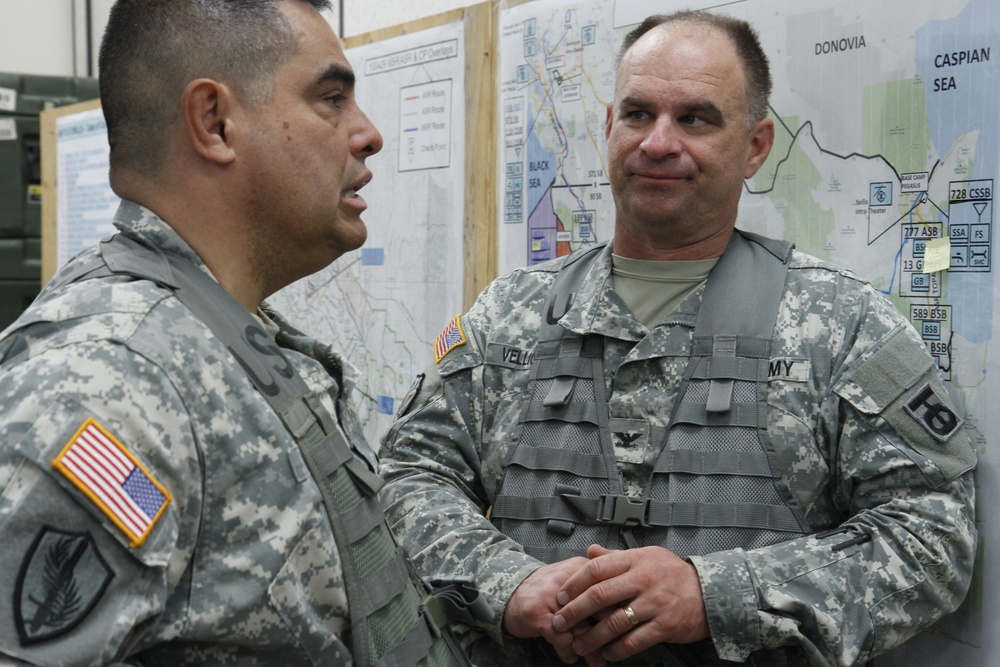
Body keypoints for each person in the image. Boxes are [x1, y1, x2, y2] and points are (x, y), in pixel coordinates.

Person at [379, 10, 978, 667]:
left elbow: (933, 537)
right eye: (638, 114)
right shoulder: (509, 316)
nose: (658, 143)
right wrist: (507, 581)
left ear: (755, 146)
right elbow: (411, 471)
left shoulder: (843, 328)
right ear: (608, 127)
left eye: (695, 118)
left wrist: (714, 592)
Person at [0, 1, 480, 665]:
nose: (367, 134)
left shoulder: (228, 335)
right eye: (331, 98)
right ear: (215, 122)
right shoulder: (111, 381)